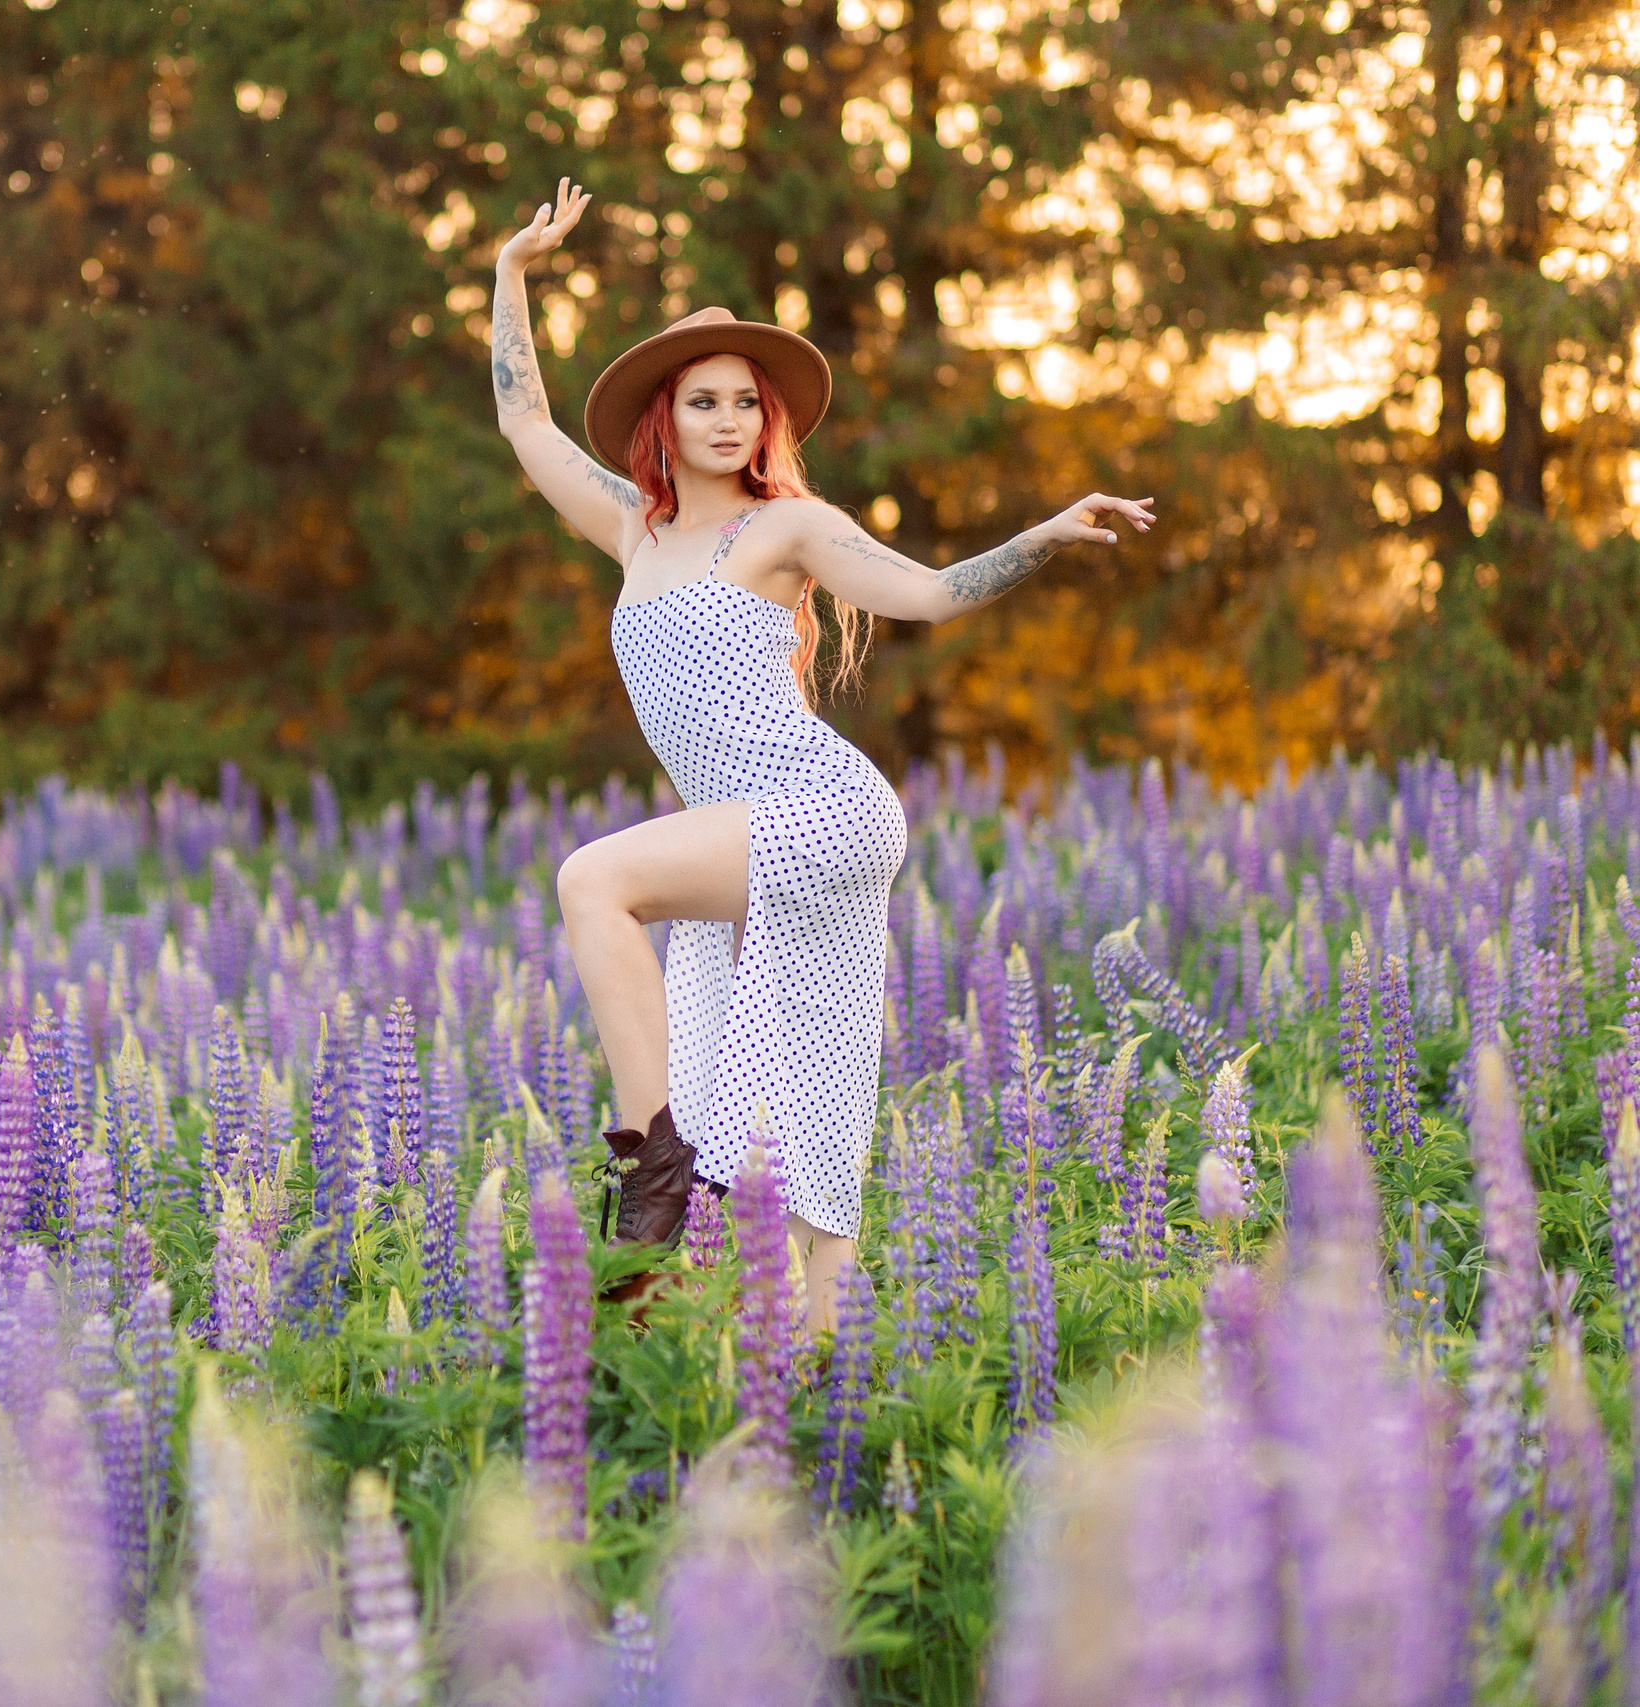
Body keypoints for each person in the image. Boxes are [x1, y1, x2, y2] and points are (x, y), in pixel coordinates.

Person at [492, 179, 1152, 1325]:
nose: (728, 420)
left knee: (591, 877)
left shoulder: (784, 527)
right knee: (786, 1101)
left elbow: (933, 595)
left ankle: (649, 1163)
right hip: (738, 836)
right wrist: (510, 274)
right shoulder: (631, 530)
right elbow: (523, 423)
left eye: (745, 402)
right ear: (665, 418)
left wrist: (1040, 536)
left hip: (815, 805)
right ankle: (818, 1381)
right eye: (702, 401)